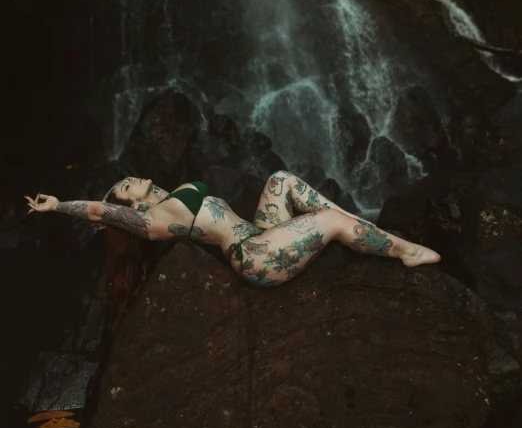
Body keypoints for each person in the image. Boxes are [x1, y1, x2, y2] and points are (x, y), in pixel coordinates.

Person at [25, 171, 440, 323]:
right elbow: (100, 211)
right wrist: (60, 205)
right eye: (125, 186)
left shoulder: (169, 200)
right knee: (330, 222)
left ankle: (360, 229)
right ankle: (402, 250)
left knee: (282, 180)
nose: (131, 179)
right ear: (130, 204)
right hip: (256, 256)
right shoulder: (154, 221)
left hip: (259, 232)